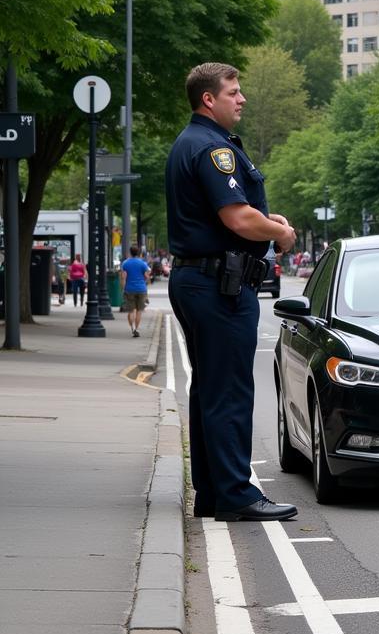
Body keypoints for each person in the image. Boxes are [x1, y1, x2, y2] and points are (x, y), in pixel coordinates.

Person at [166, 62, 298, 522]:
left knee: (209, 389)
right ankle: (237, 496)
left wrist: (268, 219)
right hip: (218, 285)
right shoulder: (211, 149)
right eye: (234, 92)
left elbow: (233, 211)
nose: (241, 99)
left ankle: (214, 493)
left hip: (201, 280)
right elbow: (238, 218)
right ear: (209, 99)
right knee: (230, 392)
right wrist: (279, 235)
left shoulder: (197, 144)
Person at [120, 244, 150, 337]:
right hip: (141, 289)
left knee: (131, 311)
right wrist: (144, 282)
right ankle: (137, 329)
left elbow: (123, 278)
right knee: (139, 311)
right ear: (139, 253)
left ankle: (132, 328)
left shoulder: (125, 263)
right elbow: (146, 277)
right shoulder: (143, 263)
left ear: (130, 252)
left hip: (129, 289)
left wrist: (123, 288)